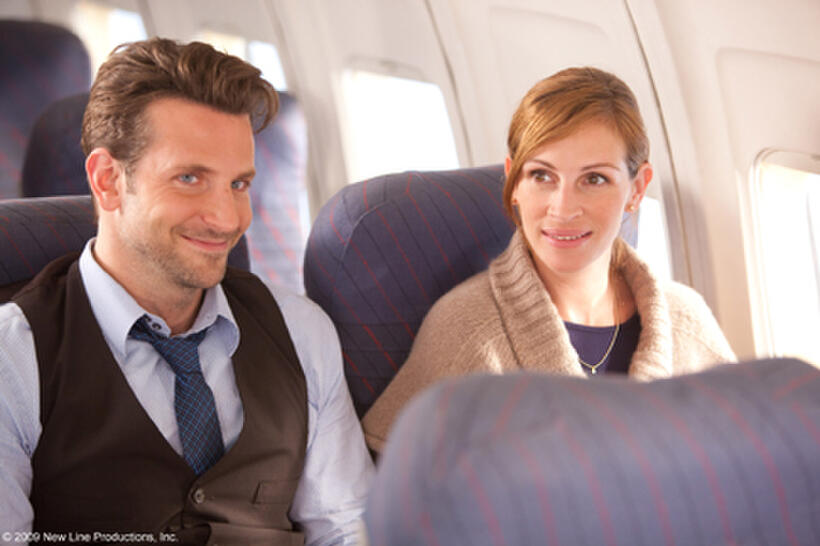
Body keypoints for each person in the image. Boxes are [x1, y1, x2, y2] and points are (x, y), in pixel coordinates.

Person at [0, 38, 373, 544]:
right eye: (190, 178)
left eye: (239, 184)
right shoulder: (14, 358)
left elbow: (346, 529)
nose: (226, 218)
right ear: (108, 180)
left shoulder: (301, 332)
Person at [362, 67, 736, 452]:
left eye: (593, 179)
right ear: (513, 184)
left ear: (637, 189)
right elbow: (403, 496)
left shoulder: (687, 323)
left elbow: (741, 468)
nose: (563, 208)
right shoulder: (467, 333)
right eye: (542, 176)